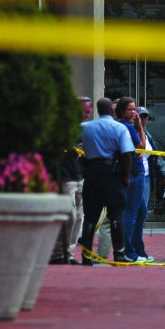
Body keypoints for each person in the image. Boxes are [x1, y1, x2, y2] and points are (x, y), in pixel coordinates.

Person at [78, 98, 135, 265]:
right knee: (116, 214)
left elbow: (75, 148)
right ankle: (119, 253)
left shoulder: (86, 127)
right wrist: (126, 175)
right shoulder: (119, 128)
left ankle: (86, 256)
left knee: (90, 216)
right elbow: (126, 154)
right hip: (113, 174)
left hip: (92, 172)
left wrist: (84, 164)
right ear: (112, 110)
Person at [50, 96, 93, 265]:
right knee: (70, 216)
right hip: (66, 176)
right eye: (85, 111)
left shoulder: (85, 130)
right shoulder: (62, 129)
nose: (87, 115)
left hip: (81, 176)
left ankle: (69, 253)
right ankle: (58, 253)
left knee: (79, 217)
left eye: (89, 111)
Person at [135, 106, 165, 262]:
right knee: (134, 215)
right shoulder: (130, 133)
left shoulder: (148, 135)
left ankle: (138, 249)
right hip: (133, 178)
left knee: (142, 214)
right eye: (141, 116)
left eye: (146, 117)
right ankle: (131, 250)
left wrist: (164, 175)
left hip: (145, 178)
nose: (144, 120)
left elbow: (156, 157)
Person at [115, 97, 149, 262]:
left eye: (135, 109)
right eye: (130, 109)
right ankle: (128, 251)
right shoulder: (126, 127)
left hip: (136, 173)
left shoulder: (123, 126)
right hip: (134, 173)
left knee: (141, 212)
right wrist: (140, 126)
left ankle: (137, 249)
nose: (134, 113)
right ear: (121, 111)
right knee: (130, 213)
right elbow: (142, 146)